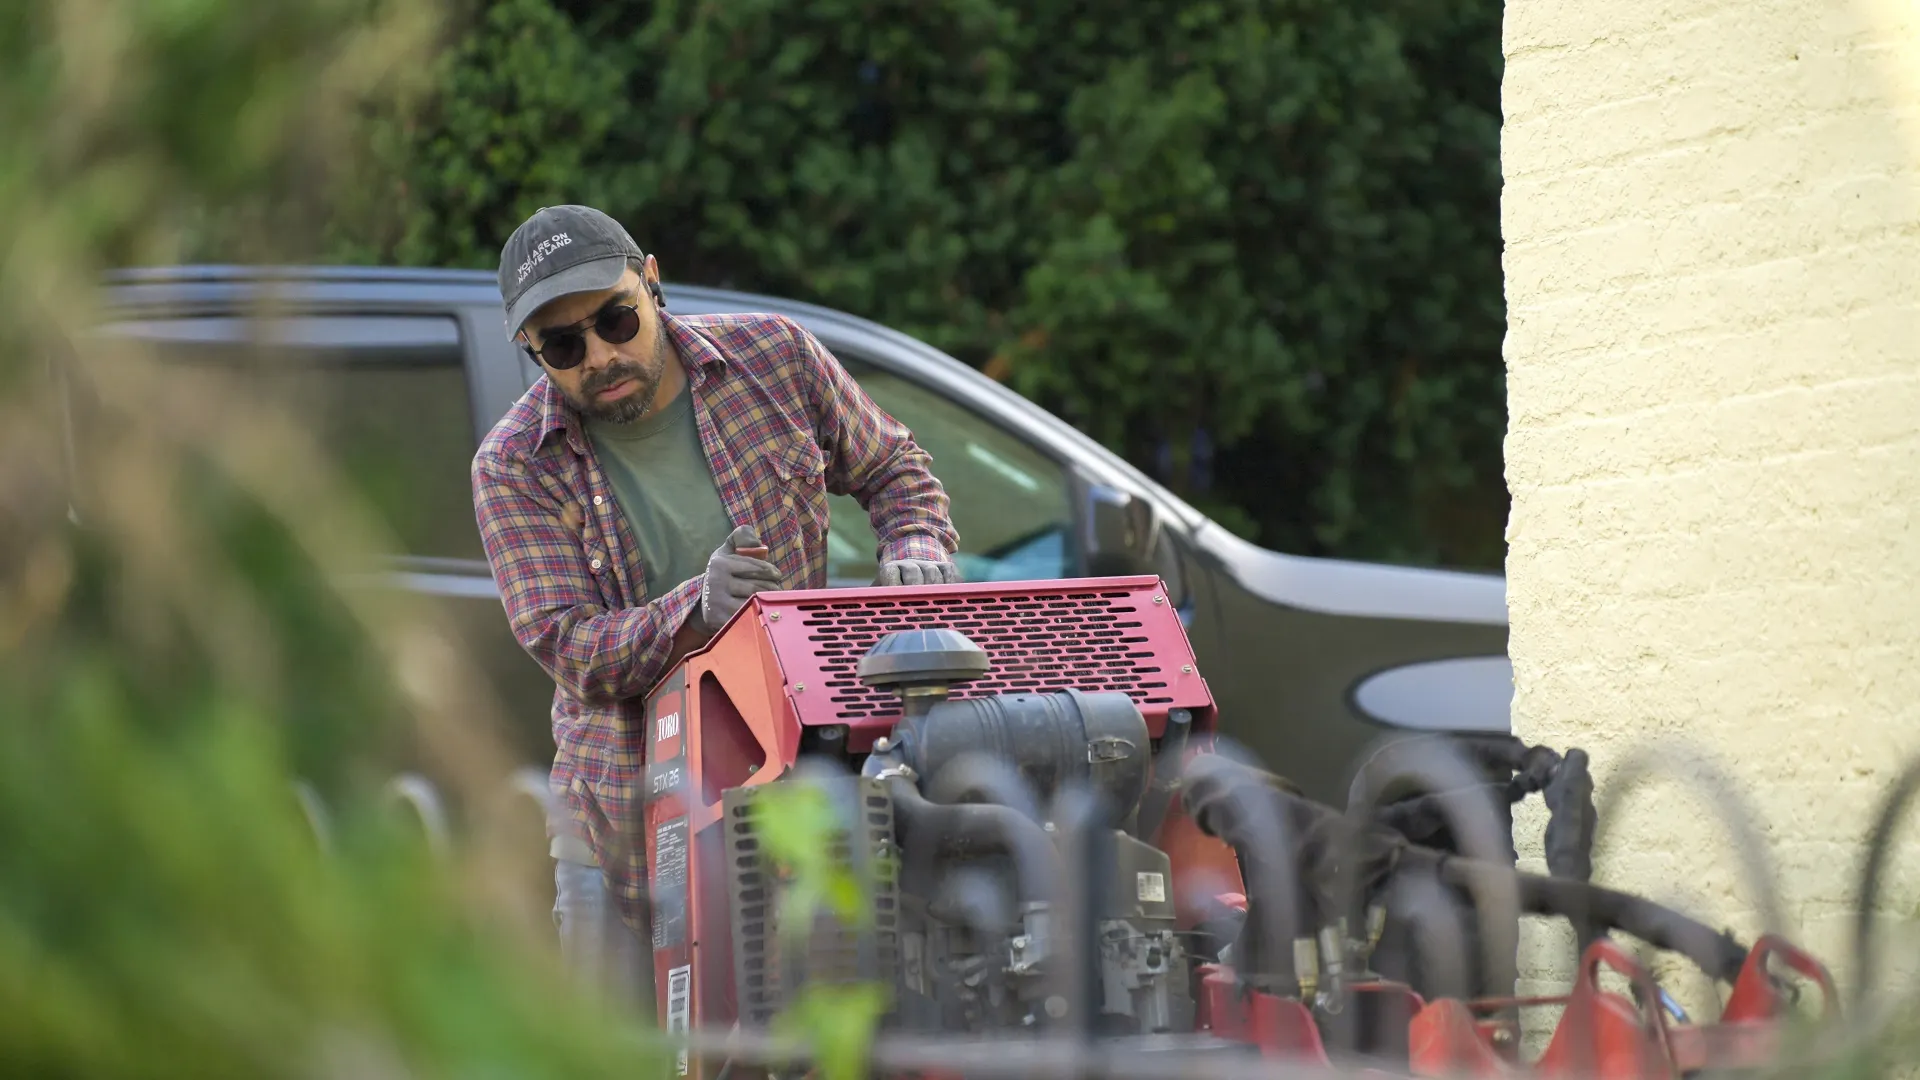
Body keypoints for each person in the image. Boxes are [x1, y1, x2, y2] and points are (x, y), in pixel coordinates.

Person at [470, 204, 961, 1012]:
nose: (600, 356)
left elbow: (895, 468)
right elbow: (569, 647)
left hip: (802, 782)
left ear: (653, 283)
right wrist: (694, 610)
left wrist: (916, 546)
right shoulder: (515, 466)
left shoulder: (772, 358)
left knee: (817, 1042)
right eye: (563, 346)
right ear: (533, 353)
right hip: (622, 824)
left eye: (616, 320)